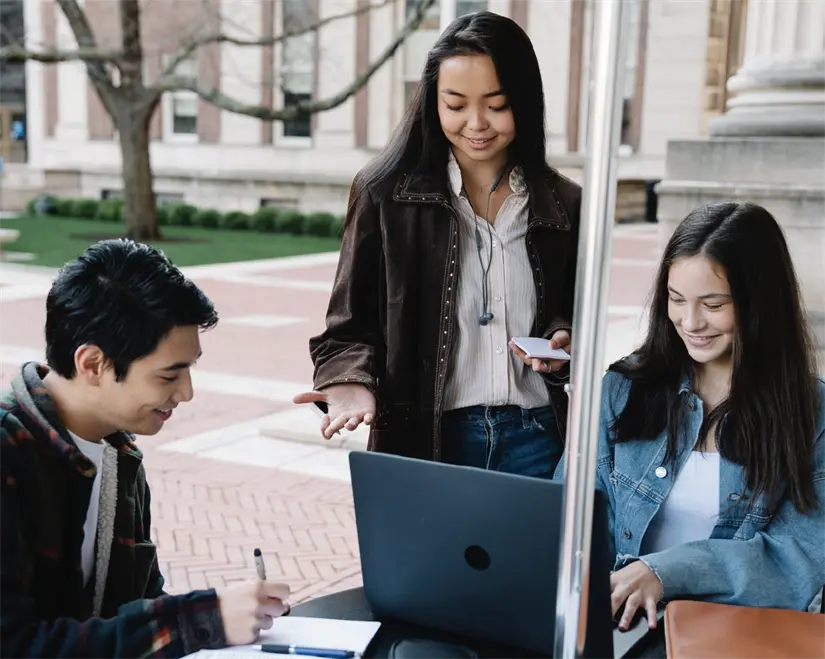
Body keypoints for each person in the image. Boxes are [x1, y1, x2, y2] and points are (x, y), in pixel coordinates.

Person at [293, 11, 581, 478]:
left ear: (525, 102)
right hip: (427, 439)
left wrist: (563, 339)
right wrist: (350, 381)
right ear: (433, 103)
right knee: (426, 555)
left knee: (532, 555)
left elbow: (573, 316)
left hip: (540, 439)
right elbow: (346, 326)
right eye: (456, 104)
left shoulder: (564, 203)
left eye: (497, 104)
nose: (476, 123)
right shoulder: (384, 194)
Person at [555, 202, 825, 658]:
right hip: (618, 622)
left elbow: (797, 560)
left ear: (761, 301)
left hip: (728, 634)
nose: (690, 322)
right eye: (676, 299)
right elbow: (570, 509)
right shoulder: (624, 387)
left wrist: (664, 571)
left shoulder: (811, 412)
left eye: (713, 305)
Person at [0, 239, 290, 658]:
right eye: (169, 375)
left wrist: (224, 621)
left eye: (188, 370)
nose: (186, 393)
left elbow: (134, 607)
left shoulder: (120, 455)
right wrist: (200, 620)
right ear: (93, 364)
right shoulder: (10, 453)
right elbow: (14, 645)